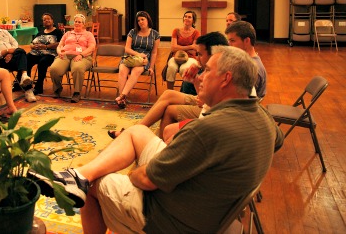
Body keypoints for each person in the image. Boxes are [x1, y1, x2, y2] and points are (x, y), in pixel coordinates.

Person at [30, 46, 283, 234]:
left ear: (226, 79)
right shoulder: (263, 118)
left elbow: (146, 180)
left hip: (169, 218)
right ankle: (79, 175)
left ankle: (86, 181)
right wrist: (203, 91)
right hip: (208, 206)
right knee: (139, 132)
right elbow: (278, 140)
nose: (201, 74)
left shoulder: (208, 131)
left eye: (206, 71)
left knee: (97, 186)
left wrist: (134, 172)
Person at [109, 31, 228, 139]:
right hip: (204, 103)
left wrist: (196, 83)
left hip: (212, 110)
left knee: (169, 110)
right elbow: (202, 98)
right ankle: (138, 131)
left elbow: (210, 103)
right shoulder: (207, 68)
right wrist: (195, 80)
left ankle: (147, 139)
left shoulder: (221, 71)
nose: (197, 57)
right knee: (168, 94)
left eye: (200, 54)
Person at [0, 15, 37, 101]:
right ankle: (27, 87)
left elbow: (15, 43)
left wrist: (10, 53)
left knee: (22, 55)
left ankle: (25, 82)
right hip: (2, 61)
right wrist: (6, 51)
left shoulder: (4, 32)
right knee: (24, 56)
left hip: (13, 56)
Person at [115, 11, 160, 107]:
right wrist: (138, 54)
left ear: (148, 20)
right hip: (130, 57)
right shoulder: (132, 32)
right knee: (122, 70)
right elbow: (127, 48)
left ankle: (122, 96)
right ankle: (122, 99)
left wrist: (151, 67)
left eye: (142, 19)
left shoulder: (155, 34)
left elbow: (154, 52)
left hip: (144, 60)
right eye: (138, 20)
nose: (140, 22)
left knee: (136, 71)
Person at [49, 13, 96, 103]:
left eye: (79, 22)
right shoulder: (67, 33)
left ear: (83, 24)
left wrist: (81, 55)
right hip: (65, 55)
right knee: (54, 69)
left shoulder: (88, 34)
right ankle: (57, 89)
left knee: (78, 68)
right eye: (75, 21)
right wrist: (59, 52)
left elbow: (92, 47)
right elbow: (60, 45)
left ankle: (77, 93)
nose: (77, 23)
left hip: (83, 56)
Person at [225, 20, 267, 99]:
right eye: (228, 40)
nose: (229, 45)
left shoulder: (250, 68)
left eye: (232, 41)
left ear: (247, 41)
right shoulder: (245, 61)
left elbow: (242, 103)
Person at [26, 13, 63, 95]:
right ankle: (26, 83)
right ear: (43, 22)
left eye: (48, 19)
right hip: (37, 53)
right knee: (26, 58)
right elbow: (31, 43)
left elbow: (60, 43)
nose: (46, 21)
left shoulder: (58, 32)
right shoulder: (40, 32)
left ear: (52, 21)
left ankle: (39, 87)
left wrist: (46, 46)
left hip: (51, 54)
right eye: (44, 20)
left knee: (42, 62)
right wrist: (33, 46)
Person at [165, 10, 200, 89]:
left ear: (193, 20)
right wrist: (190, 46)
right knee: (171, 68)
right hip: (175, 56)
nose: (186, 18)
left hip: (191, 57)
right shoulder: (176, 31)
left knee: (184, 69)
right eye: (185, 16)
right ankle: (170, 92)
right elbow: (173, 48)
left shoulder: (196, 33)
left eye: (189, 17)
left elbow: (194, 51)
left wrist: (179, 47)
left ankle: (184, 91)